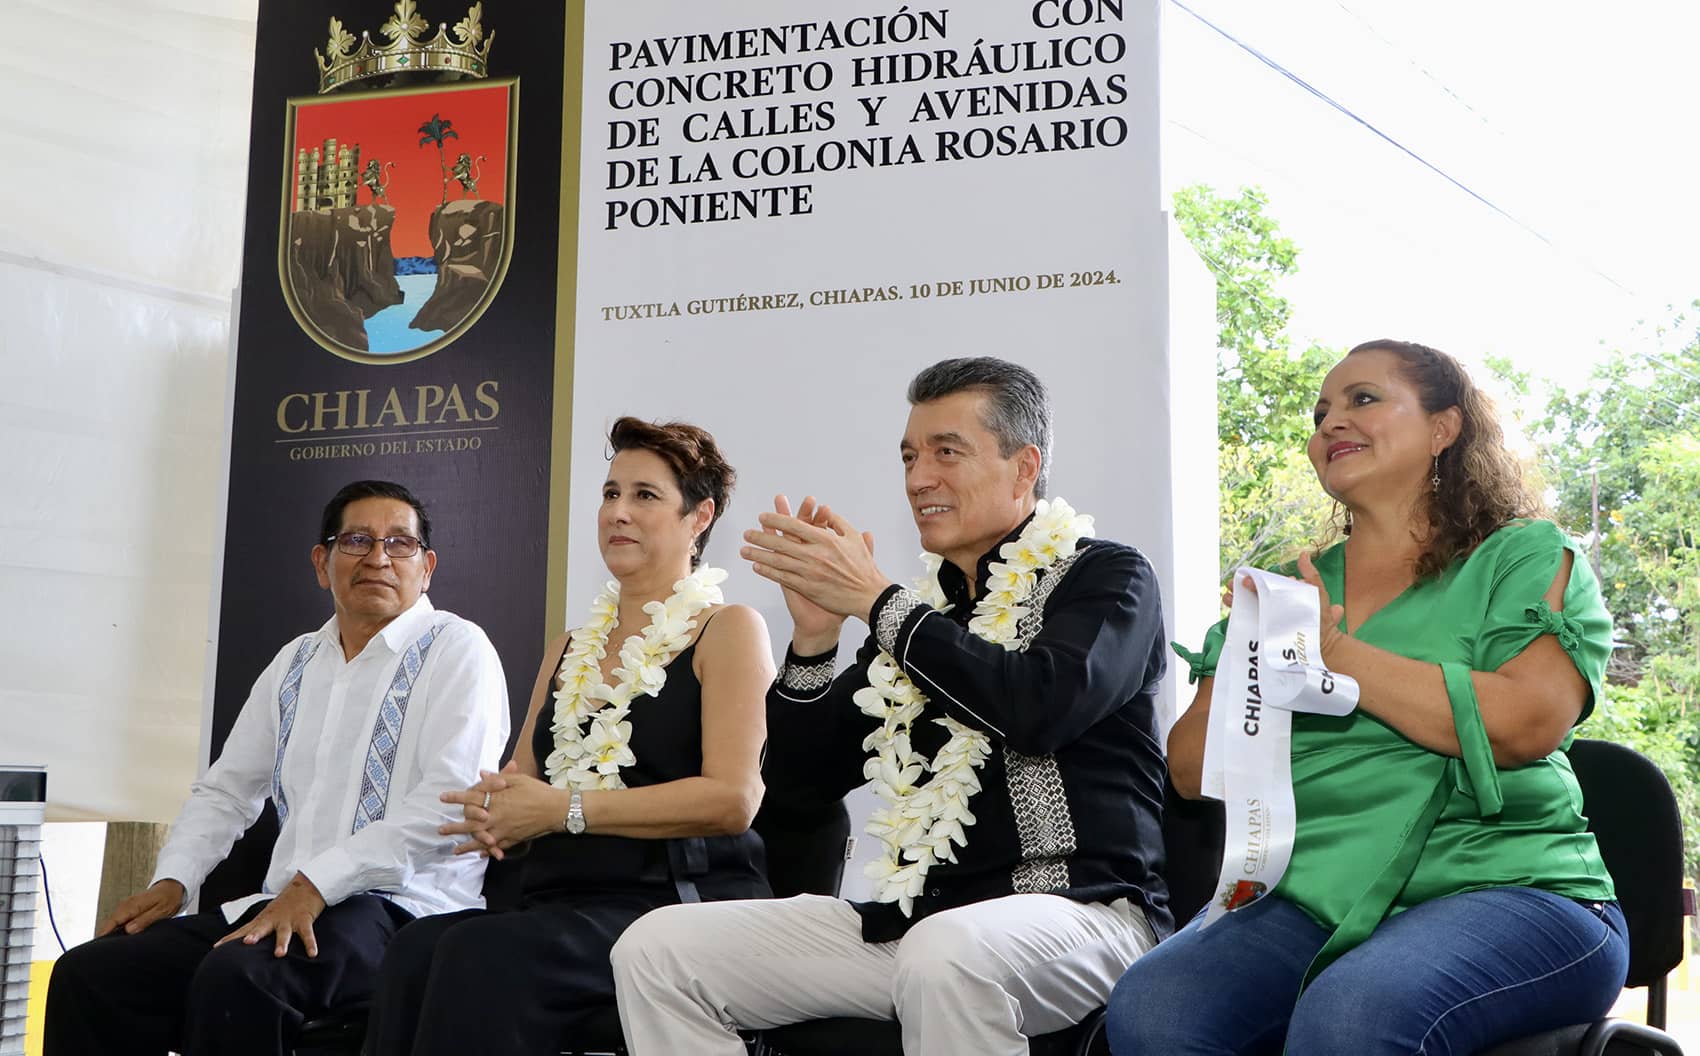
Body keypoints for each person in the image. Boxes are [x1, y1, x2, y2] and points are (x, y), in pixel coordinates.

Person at [612, 357, 1172, 1056]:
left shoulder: (1107, 578)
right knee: (658, 951)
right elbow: (796, 786)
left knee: (946, 956)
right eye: (909, 455)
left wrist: (880, 605)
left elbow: (1038, 707)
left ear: (1024, 468)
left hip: (1087, 918)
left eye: (946, 452)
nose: (917, 478)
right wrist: (815, 644)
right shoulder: (921, 619)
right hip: (919, 925)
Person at [1105, 339, 1626, 1055]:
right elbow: (1192, 769)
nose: (1330, 425)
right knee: (1154, 1004)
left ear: (1444, 429)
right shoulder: (1287, 589)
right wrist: (1257, 658)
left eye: (1363, 399)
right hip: (1315, 900)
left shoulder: (1524, 554)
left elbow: (1526, 722)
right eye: (1321, 414)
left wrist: (1338, 657)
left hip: (1510, 888)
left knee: (1353, 1015)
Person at [44, 480, 509, 1056]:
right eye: (357, 540)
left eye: (400, 544)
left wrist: (318, 883)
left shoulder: (459, 649)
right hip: (282, 903)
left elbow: (448, 804)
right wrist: (175, 879)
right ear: (323, 562)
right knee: (92, 974)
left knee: (241, 978)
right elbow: (228, 790)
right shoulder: (296, 661)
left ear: (427, 566)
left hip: (403, 910)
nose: (378, 558)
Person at [365, 417, 773, 1055]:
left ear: (699, 519)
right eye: (611, 494)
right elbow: (524, 773)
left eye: (645, 496)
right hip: (559, 900)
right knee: (416, 948)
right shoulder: (570, 647)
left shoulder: (728, 629)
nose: (619, 513)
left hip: (673, 905)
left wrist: (564, 810)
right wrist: (493, 806)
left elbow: (732, 800)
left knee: (486, 956)